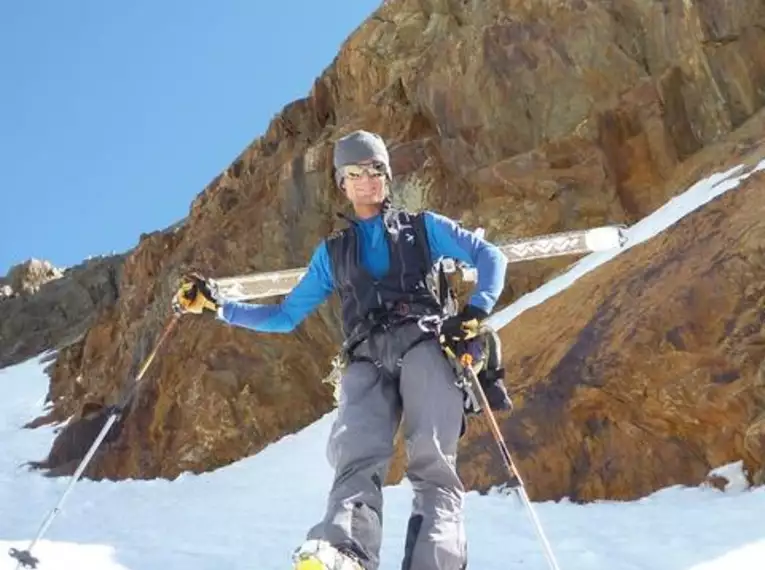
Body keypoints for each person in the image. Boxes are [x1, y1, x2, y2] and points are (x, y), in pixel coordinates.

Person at [172, 130, 509, 570]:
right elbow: (285, 316)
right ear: (341, 183)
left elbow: (490, 257)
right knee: (356, 458)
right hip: (366, 358)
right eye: (354, 173)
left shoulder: (423, 228)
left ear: (386, 175)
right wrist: (220, 308)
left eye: (374, 170)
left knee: (432, 457)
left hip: (425, 344)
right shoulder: (332, 254)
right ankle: (346, 554)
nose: (366, 180)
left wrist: (475, 310)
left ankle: (436, 561)